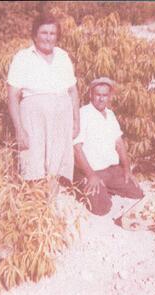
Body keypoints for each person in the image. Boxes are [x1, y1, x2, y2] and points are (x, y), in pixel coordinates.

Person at [7, 14, 79, 186]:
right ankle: (34, 203)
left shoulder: (63, 56)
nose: (48, 37)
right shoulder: (22, 58)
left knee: (57, 162)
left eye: (52, 33)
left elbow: (73, 91)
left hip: (62, 116)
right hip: (33, 117)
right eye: (44, 32)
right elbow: (12, 96)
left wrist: (76, 121)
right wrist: (19, 129)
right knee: (33, 161)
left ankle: (51, 203)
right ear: (34, 35)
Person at [73, 77, 144, 215]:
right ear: (91, 95)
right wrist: (91, 175)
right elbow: (76, 148)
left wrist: (127, 169)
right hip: (92, 172)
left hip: (112, 170)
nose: (101, 99)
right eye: (98, 95)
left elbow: (119, 143)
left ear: (109, 96)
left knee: (137, 193)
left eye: (105, 95)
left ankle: (106, 188)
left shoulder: (110, 114)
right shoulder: (84, 113)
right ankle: (84, 184)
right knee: (101, 208)